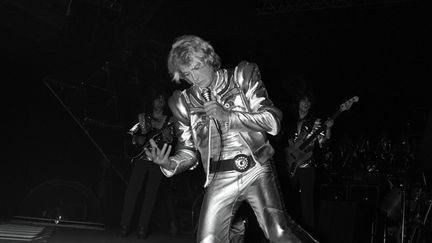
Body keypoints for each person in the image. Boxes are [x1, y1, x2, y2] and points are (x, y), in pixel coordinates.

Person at [144, 35, 311, 243]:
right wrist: (169, 163)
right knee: (207, 241)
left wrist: (229, 117)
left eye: (197, 67)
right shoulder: (183, 102)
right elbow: (189, 152)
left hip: (255, 168)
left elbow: (273, 121)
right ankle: (236, 233)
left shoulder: (241, 77)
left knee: (278, 232)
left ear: (209, 59)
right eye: (187, 74)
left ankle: (237, 232)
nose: (194, 78)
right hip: (219, 177)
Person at [120, 90, 177, 239]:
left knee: (151, 195)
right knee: (132, 191)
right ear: (152, 101)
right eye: (158, 99)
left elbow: (171, 139)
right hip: (141, 158)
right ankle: (125, 225)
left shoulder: (169, 120)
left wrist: (168, 136)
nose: (161, 102)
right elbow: (130, 134)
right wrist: (136, 139)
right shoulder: (142, 117)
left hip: (158, 160)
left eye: (163, 99)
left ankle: (142, 228)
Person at [282, 90, 333, 236]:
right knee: (286, 200)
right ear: (297, 102)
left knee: (307, 205)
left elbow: (322, 141)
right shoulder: (288, 121)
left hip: (307, 166)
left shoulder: (315, 122)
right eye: (303, 100)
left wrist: (328, 128)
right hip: (289, 166)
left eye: (309, 101)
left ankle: (309, 235)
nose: (306, 104)